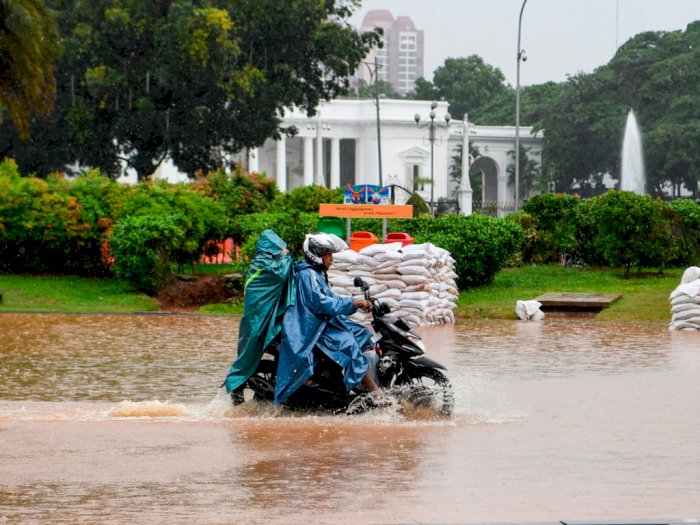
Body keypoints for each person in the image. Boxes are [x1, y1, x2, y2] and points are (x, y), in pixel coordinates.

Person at [274, 232, 380, 405]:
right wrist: (352, 303)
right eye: (328, 255)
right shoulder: (308, 275)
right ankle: (374, 393)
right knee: (349, 346)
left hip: (320, 320)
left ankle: (350, 379)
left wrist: (353, 301)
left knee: (361, 333)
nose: (331, 259)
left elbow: (330, 297)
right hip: (310, 326)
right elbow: (323, 303)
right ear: (315, 255)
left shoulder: (316, 273)